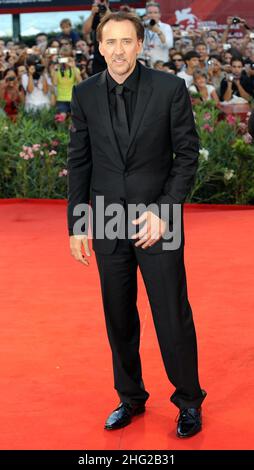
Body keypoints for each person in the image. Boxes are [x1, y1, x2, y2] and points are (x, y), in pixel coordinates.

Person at [67, 11, 206, 438]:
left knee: (171, 314)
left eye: (127, 41)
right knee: (118, 316)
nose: (118, 50)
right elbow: (80, 159)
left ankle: (188, 401)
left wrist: (164, 211)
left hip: (157, 219)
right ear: (100, 46)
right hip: (108, 219)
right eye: (110, 42)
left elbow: (187, 155)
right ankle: (130, 397)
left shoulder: (170, 89)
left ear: (141, 45)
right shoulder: (85, 93)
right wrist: (77, 222)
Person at [141, 1, 174, 66]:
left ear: (159, 14)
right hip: (145, 63)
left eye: (155, 13)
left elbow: (169, 45)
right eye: (150, 13)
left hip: (160, 64)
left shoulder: (166, 27)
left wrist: (159, 32)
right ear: (146, 14)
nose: (152, 15)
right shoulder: (142, 27)